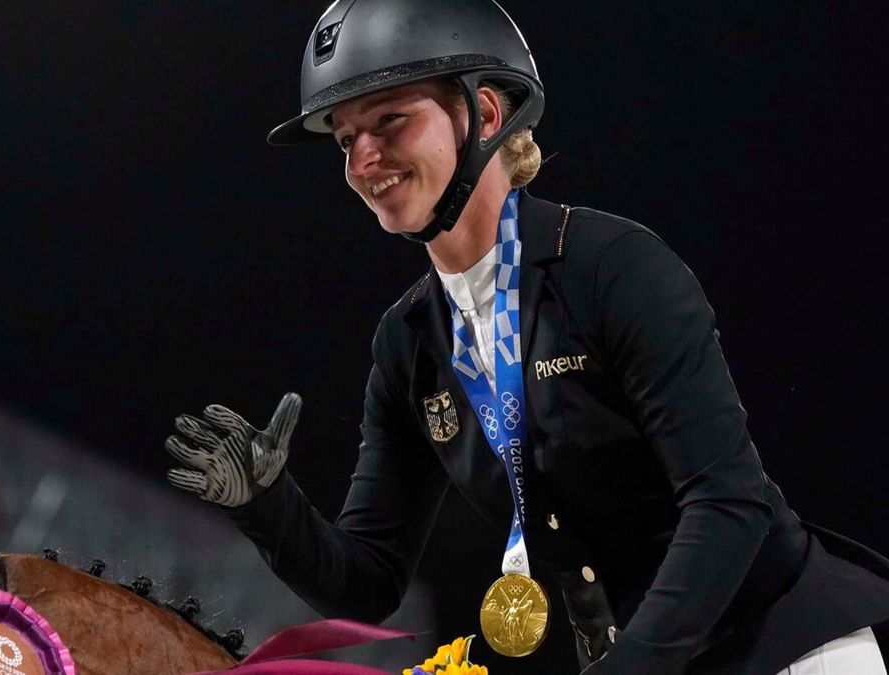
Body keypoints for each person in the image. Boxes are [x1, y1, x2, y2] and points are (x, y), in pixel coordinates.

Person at [164, 1, 889, 672]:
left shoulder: (613, 268)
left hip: (792, 647)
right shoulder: (410, 343)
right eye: (346, 139)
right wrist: (266, 504)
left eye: (388, 122)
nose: (361, 161)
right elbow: (370, 582)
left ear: (482, 112)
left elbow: (729, 504)